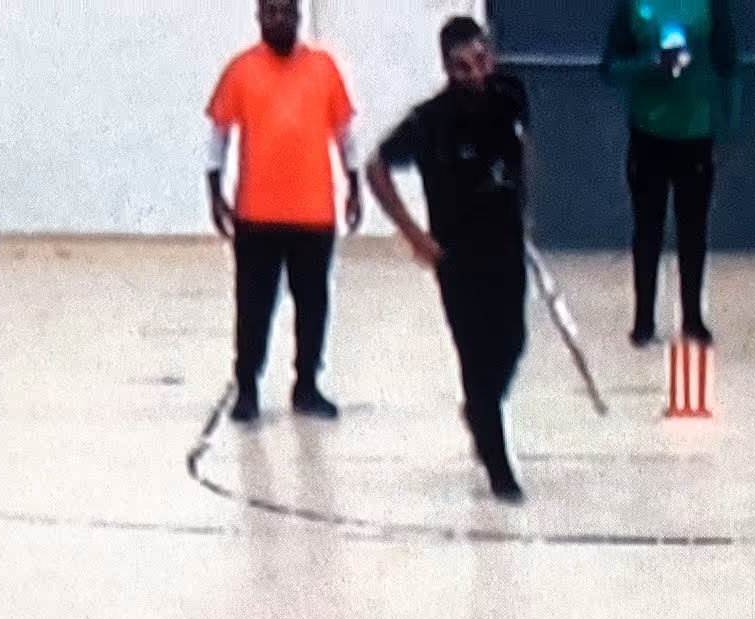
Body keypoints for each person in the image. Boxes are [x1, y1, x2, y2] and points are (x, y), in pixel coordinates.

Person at [368, 15, 537, 503]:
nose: (476, 74)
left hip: (506, 244)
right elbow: (376, 167)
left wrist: (525, 208)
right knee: (476, 357)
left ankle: (480, 415)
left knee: (513, 341)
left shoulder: (511, 95)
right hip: (457, 256)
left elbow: (524, 148)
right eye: (463, 67)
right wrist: (414, 236)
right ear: (447, 68)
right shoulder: (429, 120)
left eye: (481, 61)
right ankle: (498, 464)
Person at [207, 0, 363, 424]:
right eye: (271, 12)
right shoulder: (240, 70)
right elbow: (219, 133)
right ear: (259, 16)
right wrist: (214, 188)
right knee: (253, 304)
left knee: (313, 303)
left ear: (299, 16)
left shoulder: (325, 69)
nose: (280, 19)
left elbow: (344, 132)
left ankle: (307, 385)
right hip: (256, 213)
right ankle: (248, 388)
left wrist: (354, 184)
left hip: (314, 213)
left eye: (287, 12)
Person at [601, 0, 739, 348]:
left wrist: (727, 128)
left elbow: (729, 66)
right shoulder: (635, 7)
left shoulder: (710, 7)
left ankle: (692, 317)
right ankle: (643, 319)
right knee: (647, 230)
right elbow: (610, 68)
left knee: (693, 231)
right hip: (648, 134)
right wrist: (648, 66)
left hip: (696, 135)